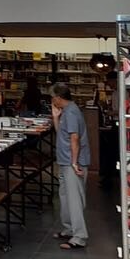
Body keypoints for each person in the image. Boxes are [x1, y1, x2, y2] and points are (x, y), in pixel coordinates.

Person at [51, 82, 90, 250]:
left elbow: (74, 138)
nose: (51, 101)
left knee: (74, 199)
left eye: (52, 97)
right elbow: (62, 134)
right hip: (65, 160)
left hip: (72, 162)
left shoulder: (72, 112)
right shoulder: (66, 112)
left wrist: (74, 162)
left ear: (58, 98)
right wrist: (55, 118)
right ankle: (69, 228)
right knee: (65, 196)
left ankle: (79, 236)